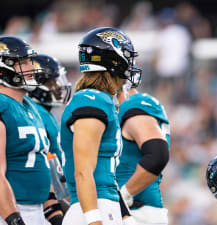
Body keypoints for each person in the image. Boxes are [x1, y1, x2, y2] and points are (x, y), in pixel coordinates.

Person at [60, 27, 142, 225]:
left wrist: (126, 216)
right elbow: (83, 172)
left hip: (104, 205)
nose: (131, 64)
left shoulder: (102, 100)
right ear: (113, 59)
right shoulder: (92, 100)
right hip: (92, 208)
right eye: (127, 57)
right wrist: (94, 219)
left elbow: (105, 174)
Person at [0, 36, 50, 225]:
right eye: (23, 62)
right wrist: (13, 219)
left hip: (36, 210)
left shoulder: (29, 105)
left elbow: (43, 161)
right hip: (10, 210)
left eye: (30, 61)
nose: (31, 67)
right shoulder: (2, 105)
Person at [117, 81, 170, 225]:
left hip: (135, 212)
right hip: (137, 211)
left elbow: (157, 155)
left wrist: (125, 194)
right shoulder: (132, 105)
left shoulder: (133, 104)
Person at [29, 54, 72, 224]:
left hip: (48, 196)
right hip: (41, 200)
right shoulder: (39, 114)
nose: (59, 87)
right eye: (53, 82)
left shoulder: (44, 113)